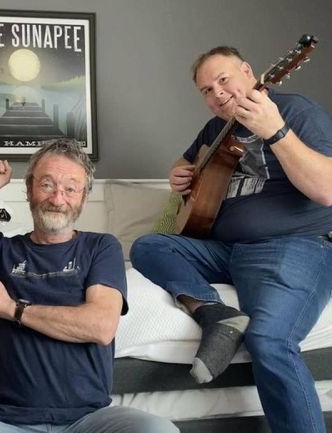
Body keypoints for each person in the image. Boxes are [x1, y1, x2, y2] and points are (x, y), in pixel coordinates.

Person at [0, 139, 179, 433]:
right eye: (47, 185)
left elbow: (101, 327)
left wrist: (13, 309)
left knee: (160, 430)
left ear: (84, 198)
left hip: (87, 420)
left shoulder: (100, 247)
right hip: (7, 421)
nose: (57, 198)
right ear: (28, 190)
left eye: (70, 188)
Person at [130, 46, 332, 433]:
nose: (217, 93)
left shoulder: (295, 111)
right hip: (227, 250)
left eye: (223, 80)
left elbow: (326, 190)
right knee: (150, 245)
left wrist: (276, 132)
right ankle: (215, 314)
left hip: (295, 244)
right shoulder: (215, 130)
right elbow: (185, 161)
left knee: (270, 341)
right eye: (206, 90)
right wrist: (179, 173)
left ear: (248, 72)